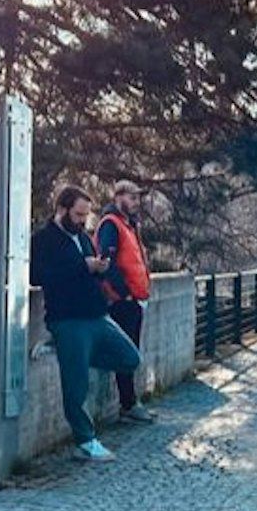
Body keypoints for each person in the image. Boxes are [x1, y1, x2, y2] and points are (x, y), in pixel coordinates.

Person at [29, 185, 141, 462]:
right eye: (79, 214)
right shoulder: (44, 239)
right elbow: (39, 275)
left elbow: (89, 268)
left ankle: (68, 351)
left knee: (130, 358)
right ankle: (86, 441)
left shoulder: (83, 238)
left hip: (97, 314)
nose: (83, 221)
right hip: (68, 318)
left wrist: (100, 269)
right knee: (76, 386)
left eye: (86, 216)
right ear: (62, 209)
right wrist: (84, 266)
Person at [95, 179, 155, 423]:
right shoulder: (112, 225)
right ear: (118, 197)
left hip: (134, 299)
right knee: (126, 353)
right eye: (132, 197)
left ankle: (130, 402)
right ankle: (128, 404)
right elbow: (106, 264)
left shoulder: (128, 225)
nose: (136, 202)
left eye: (137, 198)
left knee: (130, 352)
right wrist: (125, 293)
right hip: (123, 301)